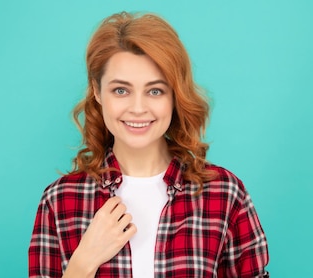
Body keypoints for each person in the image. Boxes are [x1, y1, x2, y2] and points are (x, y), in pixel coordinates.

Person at [28, 12, 269, 277]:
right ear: (97, 91)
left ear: (174, 96)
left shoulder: (224, 194)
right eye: (121, 90)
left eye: (155, 91)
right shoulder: (60, 201)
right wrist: (82, 264)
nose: (138, 108)